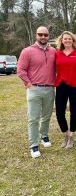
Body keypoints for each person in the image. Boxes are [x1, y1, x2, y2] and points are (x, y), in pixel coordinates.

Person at [17, 26, 56, 158]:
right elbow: (21, 70)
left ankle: (44, 135)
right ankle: (33, 145)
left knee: (46, 116)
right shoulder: (27, 51)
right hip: (34, 89)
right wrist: (28, 84)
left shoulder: (53, 51)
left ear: (49, 36)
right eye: (40, 34)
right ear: (36, 35)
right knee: (33, 118)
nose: (43, 37)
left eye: (45, 35)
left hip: (50, 89)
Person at [55, 31, 76, 148]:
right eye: (65, 39)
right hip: (61, 85)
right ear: (61, 41)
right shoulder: (57, 53)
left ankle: (71, 136)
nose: (67, 40)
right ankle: (66, 134)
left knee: (74, 111)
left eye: (69, 39)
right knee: (59, 112)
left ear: (73, 40)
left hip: (75, 85)